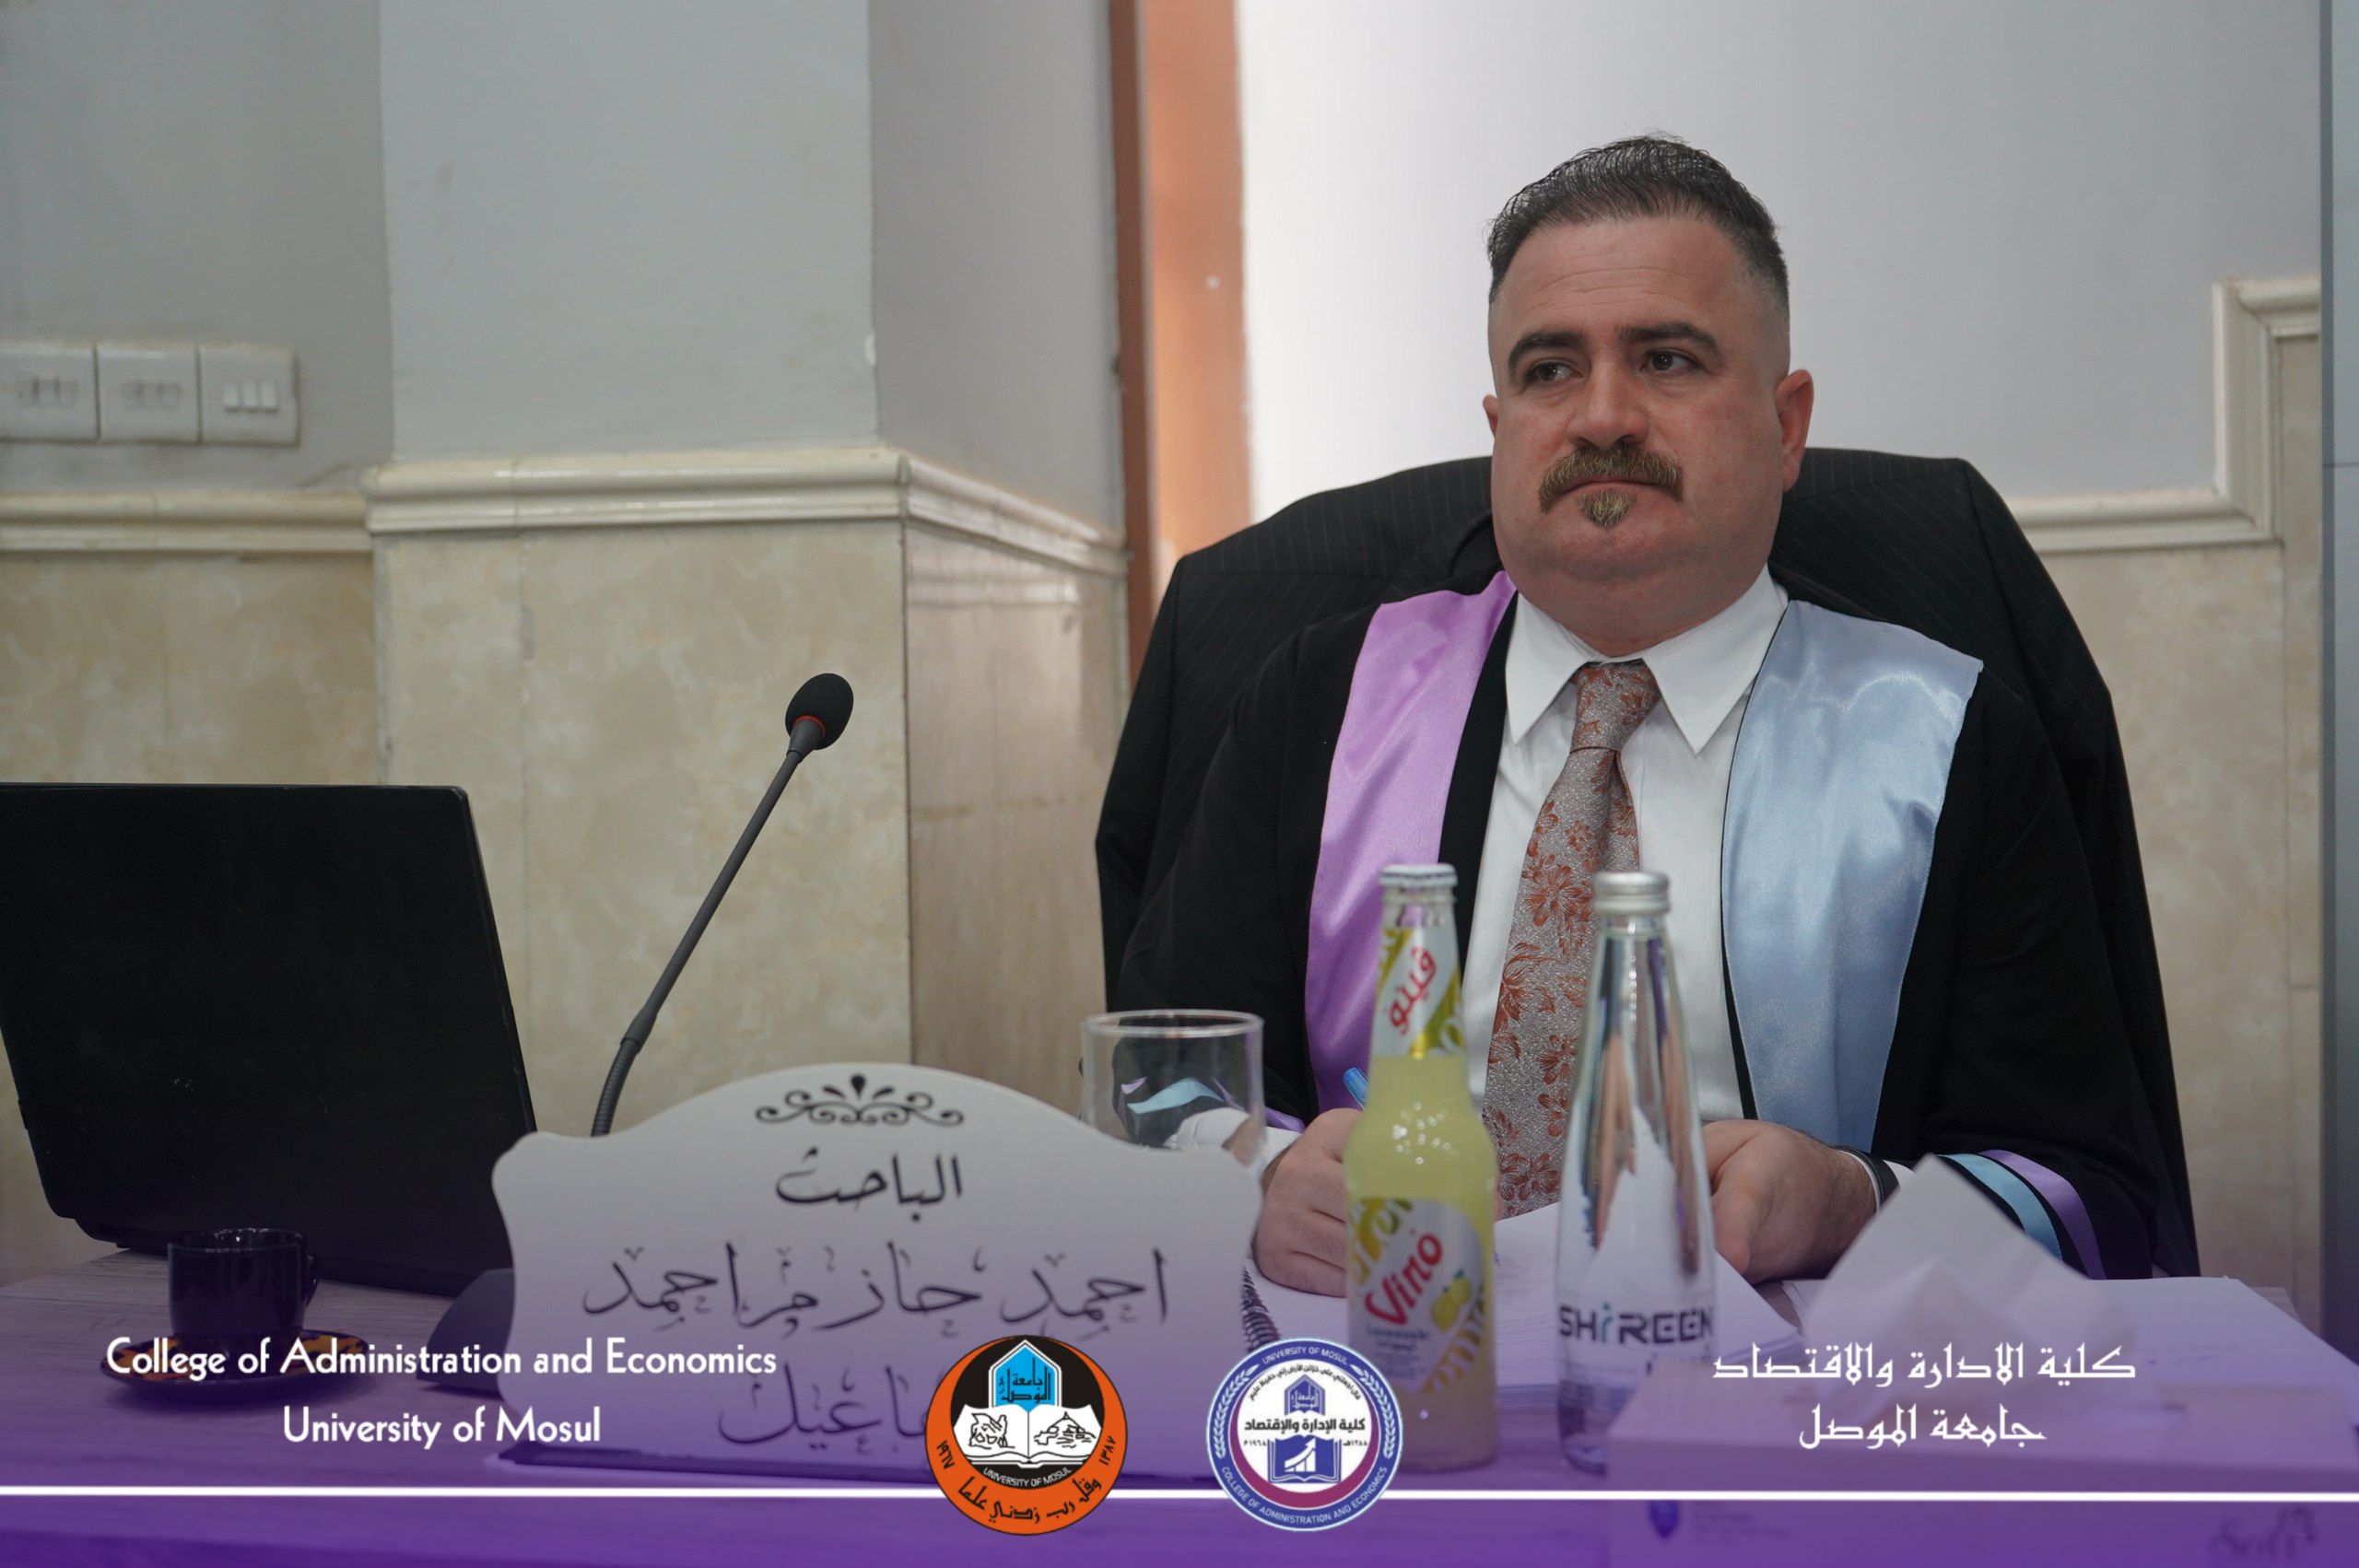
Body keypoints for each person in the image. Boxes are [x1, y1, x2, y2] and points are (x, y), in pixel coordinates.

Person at [1111, 135, 2189, 1294]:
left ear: (1785, 425)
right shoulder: (1318, 706)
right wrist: (1260, 1176)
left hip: (1779, 1380)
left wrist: (1855, 1202)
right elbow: (1156, 1085)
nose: (1602, 417)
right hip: (1382, 1359)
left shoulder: (1948, 741)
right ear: (1498, 425)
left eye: (1667, 360)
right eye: (1549, 370)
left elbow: (2093, 1194)